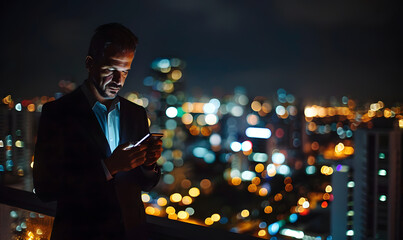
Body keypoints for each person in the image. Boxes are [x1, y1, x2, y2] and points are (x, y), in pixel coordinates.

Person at [33, 23, 162, 240]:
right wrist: (109, 167)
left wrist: (148, 164)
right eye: (111, 69)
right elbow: (45, 188)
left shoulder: (136, 113)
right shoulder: (59, 113)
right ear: (90, 63)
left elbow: (144, 184)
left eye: (125, 71)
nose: (118, 80)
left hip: (132, 233)